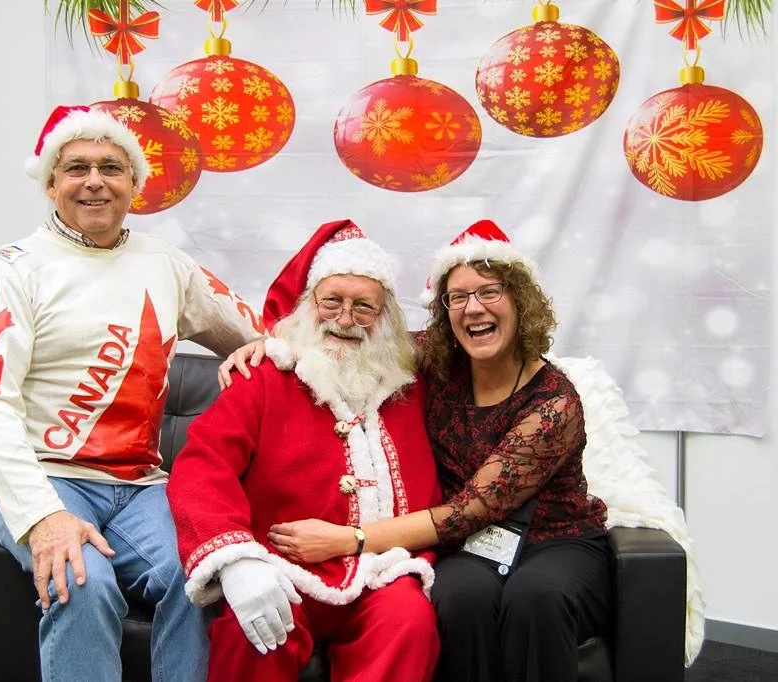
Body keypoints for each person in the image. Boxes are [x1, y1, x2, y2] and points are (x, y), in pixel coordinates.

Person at [223, 219, 613, 682]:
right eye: (458, 297)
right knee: (460, 600)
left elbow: (467, 511)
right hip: (472, 548)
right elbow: (351, 338)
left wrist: (349, 538)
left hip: (551, 540)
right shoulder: (436, 363)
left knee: (536, 599)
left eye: (489, 292)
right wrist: (267, 346)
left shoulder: (554, 402)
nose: (474, 308)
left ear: (519, 303)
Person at [0, 104, 265, 682]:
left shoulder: (166, 264)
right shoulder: (12, 270)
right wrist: (43, 517)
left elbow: (254, 334)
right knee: (81, 582)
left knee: (202, 573)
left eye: (111, 167)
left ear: (135, 185)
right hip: (48, 478)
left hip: (141, 484)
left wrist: (259, 350)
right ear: (51, 183)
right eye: (76, 168)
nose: (94, 180)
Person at [166, 219, 442, 682]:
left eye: (364, 307)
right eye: (331, 300)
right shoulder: (264, 376)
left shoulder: (411, 384)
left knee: (409, 622)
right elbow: (201, 468)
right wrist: (238, 563)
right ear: (308, 304)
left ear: (387, 317)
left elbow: (482, 336)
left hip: (380, 570)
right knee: (250, 633)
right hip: (280, 571)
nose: (345, 319)